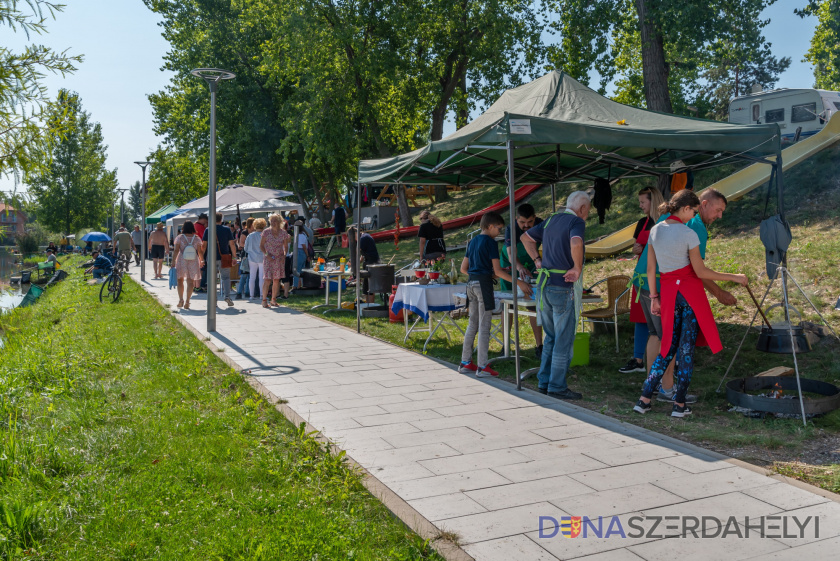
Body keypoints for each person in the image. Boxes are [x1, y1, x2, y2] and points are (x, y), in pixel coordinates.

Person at [634, 189, 748, 417]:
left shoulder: (656, 230)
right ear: (686, 208)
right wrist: (734, 277)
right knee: (685, 351)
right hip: (688, 295)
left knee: (666, 348)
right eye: (693, 211)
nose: (693, 216)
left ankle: (644, 399)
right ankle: (679, 405)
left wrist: (654, 298)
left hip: (666, 293)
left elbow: (650, 269)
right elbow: (700, 270)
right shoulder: (688, 234)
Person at [521, 191, 590, 400]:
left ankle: (545, 381)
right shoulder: (576, 222)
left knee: (550, 337)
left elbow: (525, 238)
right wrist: (577, 268)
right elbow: (576, 244)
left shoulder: (551, 219)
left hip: (545, 285)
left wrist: (537, 259)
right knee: (563, 339)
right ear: (583, 209)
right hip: (562, 286)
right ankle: (557, 385)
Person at [459, 212, 532, 378]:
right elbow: (498, 271)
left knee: (473, 324)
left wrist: (482, 272)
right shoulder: (490, 243)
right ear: (490, 226)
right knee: (485, 326)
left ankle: (465, 362)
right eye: (498, 228)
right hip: (483, 287)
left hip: (470, 284)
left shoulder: (473, 241)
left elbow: (464, 269)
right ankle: (483, 366)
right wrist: (519, 282)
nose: (499, 232)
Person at [619, 187, 665, 374]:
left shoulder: (664, 222)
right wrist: (637, 248)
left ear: (652, 201)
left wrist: (644, 246)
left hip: (657, 277)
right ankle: (638, 359)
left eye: (643, 202)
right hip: (641, 277)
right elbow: (636, 245)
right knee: (640, 318)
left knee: (658, 324)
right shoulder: (642, 222)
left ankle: (663, 363)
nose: (640, 206)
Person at [500, 204, 544, 359]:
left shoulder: (541, 224)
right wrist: (518, 268)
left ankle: (540, 346)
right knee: (509, 304)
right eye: (522, 222)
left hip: (532, 262)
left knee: (533, 303)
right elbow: (511, 254)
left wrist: (541, 264)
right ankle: (505, 345)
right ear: (516, 219)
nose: (526, 225)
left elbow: (547, 246)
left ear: (535, 218)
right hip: (510, 264)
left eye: (530, 222)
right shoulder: (511, 229)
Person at [201, 212, 237, 307]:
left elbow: (204, 246)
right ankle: (227, 296)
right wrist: (234, 256)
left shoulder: (208, 230)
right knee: (226, 277)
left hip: (211, 257)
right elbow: (232, 244)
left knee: (212, 279)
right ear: (221, 219)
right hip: (224, 257)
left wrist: (201, 258)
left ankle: (214, 300)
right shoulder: (227, 229)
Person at [172, 220, 203, 310]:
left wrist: (173, 261)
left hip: (182, 260)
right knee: (190, 282)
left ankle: (181, 300)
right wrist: (202, 260)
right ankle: (187, 302)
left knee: (180, 281)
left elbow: (176, 250)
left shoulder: (180, 237)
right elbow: (199, 251)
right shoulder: (197, 238)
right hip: (193, 261)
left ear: (183, 228)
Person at [260, 213, 291, 307]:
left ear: (279, 222)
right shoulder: (266, 232)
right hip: (268, 258)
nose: (273, 223)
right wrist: (266, 254)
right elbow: (261, 246)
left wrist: (284, 255)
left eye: (275, 221)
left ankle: (273, 300)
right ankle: (264, 300)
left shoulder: (283, 233)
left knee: (276, 280)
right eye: (271, 221)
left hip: (279, 259)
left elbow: (285, 247)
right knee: (267, 280)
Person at [349, 225, 380, 303]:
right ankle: (368, 304)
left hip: (372, 264)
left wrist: (352, 263)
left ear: (356, 233)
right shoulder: (364, 237)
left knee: (369, 287)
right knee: (366, 286)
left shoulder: (363, 238)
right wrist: (355, 265)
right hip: (368, 262)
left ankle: (370, 305)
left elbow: (356, 252)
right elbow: (362, 257)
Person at [245, 218, 268, 302]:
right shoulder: (265, 235)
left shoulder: (250, 235)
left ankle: (251, 295)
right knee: (262, 277)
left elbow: (245, 248)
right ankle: (262, 295)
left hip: (252, 257)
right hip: (263, 257)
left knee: (252, 277)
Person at [292, 219, 310, 288]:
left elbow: (304, 247)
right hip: (302, 253)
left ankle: (295, 286)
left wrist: (307, 255)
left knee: (296, 270)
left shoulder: (300, 236)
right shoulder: (304, 234)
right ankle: (302, 285)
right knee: (302, 270)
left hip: (300, 252)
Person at [195, 213, 209, 292]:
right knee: (202, 267)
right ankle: (200, 285)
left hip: (195, 249)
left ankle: (196, 286)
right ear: (203, 219)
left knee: (197, 268)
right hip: (201, 249)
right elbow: (205, 239)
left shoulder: (194, 225)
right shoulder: (201, 227)